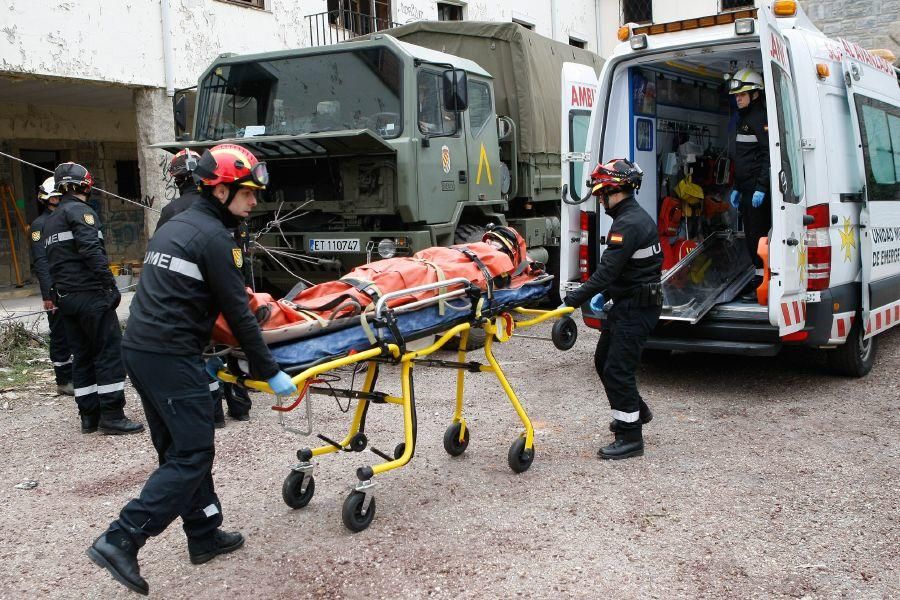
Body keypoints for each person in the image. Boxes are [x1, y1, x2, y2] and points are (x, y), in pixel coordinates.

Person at [88, 143, 298, 595]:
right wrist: (270, 371)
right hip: (169, 355)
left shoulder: (179, 223)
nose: (254, 201)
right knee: (193, 454)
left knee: (177, 450)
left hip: (142, 350)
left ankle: (203, 534)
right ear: (220, 189)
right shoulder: (212, 238)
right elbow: (239, 314)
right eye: (247, 192)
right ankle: (121, 537)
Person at [563, 158, 662, 460]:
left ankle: (630, 437)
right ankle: (636, 411)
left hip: (636, 308)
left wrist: (572, 299)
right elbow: (624, 270)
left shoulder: (627, 224)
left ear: (615, 191)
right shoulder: (631, 218)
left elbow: (607, 271)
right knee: (604, 359)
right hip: (629, 303)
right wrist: (605, 292)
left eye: (602, 194)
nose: (601, 200)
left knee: (618, 370)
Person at [42, 162, 144, 435]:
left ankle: (89, 416)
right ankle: (112, 414)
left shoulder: (51, 219)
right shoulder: (81, 212)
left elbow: (51, 260)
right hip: (90, 296)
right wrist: (109, 285)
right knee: (108, 352)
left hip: (67, 298)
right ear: (85, 184)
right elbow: (91, 251)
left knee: (82, 355)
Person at [156, 148, 253, 426]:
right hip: (233, 286)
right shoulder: (222, 206)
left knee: (203, 353)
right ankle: (240, 406)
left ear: (176, 178)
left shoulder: (171, 211)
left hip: (196, 296)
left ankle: (213, 414)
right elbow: (241, 250)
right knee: (234, 346)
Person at [727, 68, 770, 302]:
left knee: (759, 237)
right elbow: (742, 158)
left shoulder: (759, 118)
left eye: (742, 95)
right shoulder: (744, 119)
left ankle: (763, 282)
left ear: (755, 94)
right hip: (745, 189)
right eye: (736, 95)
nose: (738, 98)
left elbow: (768, 155)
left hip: (756, 191)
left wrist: (761, 188)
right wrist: (736, 185)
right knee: (751, 238)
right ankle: (757, 279)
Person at [29, 177, 74, 397]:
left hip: (71, 286)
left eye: (60, 195)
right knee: (59, 335)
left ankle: (76, 374)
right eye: (55, 196)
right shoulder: (40, 225)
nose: (58, 199)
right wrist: (48, 294)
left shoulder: (64, 218)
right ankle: (63, 380)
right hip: (55, 289)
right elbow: (41, 261)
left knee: (75, 332)